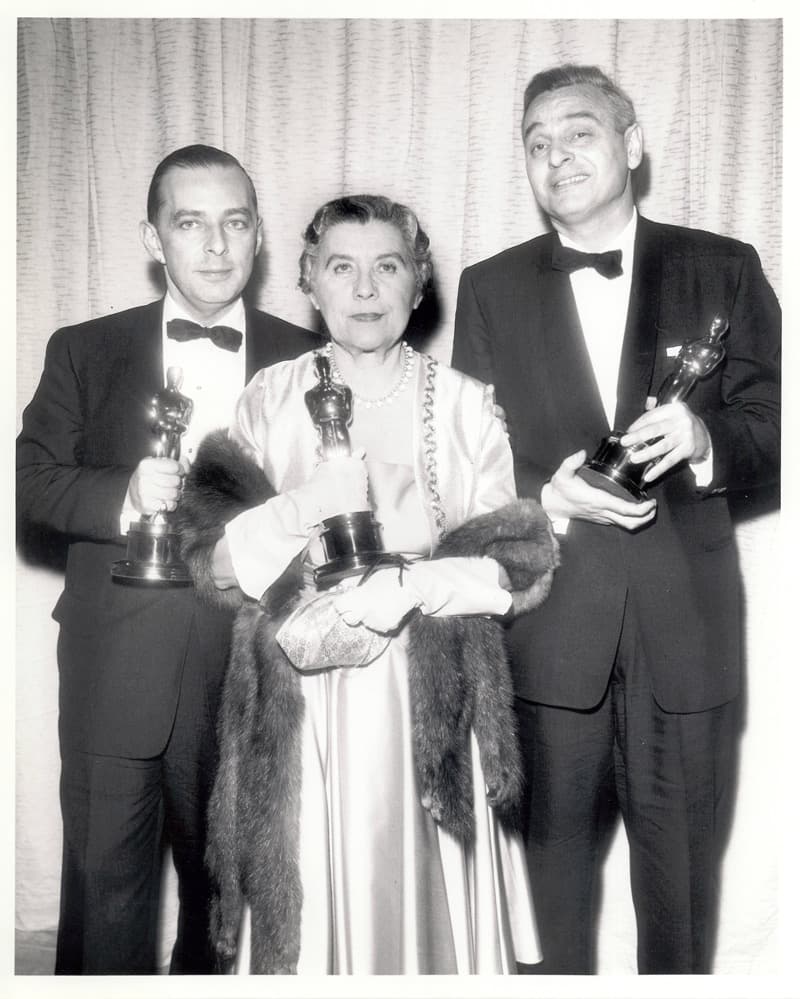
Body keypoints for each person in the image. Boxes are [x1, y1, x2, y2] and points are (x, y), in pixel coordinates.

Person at [176, 194, 560, 974]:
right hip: (299, 704)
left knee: (426, 922)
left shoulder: (463, 404)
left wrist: (417, 584)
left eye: (387, 267)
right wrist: (299, 508)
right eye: (341, 268)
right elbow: (209, 562)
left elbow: (521, 564)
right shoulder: (266, 401)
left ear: (418, 285)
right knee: (305, 914)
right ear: (310, 283)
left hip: (432, 695)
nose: (365, 289)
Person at [451, 64, 780, 974]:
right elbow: (467, 460)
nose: (556, 155)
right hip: (549, 636)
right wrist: (546, 495)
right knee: (546, 916)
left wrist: (706, 437)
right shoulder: (488, 288)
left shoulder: (726, 266)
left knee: (679, 908)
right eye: (536, 142)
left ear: (631, 145)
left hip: (687, 638)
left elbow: (775, 429)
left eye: (579, 132)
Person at [16, 144, 321, 973]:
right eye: (191, 223)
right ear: (154, 239)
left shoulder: (311, 359)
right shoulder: (84, 348)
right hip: (118, 664)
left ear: (258, 236)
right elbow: (32, 487)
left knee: (229, 912)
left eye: (235, 223)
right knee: (105, 904)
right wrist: (125, 495)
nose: (217, 246)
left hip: (257, 671)